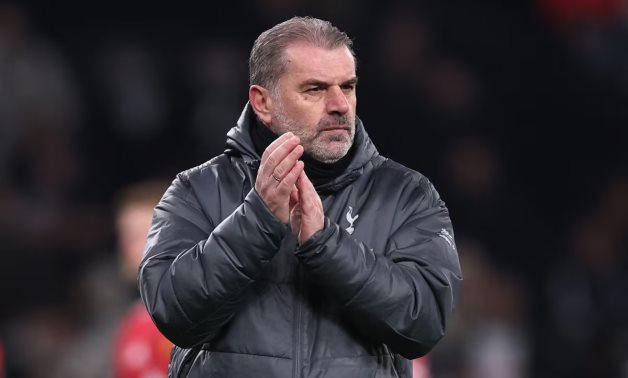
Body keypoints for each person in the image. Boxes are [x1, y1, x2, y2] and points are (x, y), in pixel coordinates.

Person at [139, 16, 462, 377]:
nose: (340, 104)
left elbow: (425, 325)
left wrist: (326, 244)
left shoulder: (406, 195)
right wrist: (258, 220)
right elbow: (174, 315)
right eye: (315, 89)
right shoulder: (196, 191)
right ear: (263, 103)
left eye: (348, 86)